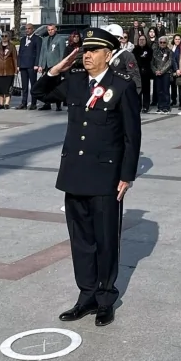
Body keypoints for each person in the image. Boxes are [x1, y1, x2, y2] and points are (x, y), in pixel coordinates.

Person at [32, 28, 141, 328]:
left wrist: (126, 175)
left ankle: (106, 298)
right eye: (84, 50)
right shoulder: (76, 82)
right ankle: (87, 295)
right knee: (80, 242)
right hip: (75, 175)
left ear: (108, 55)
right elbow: (39, 92)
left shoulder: (122, 86)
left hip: (106, 177)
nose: (87, 55)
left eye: (94, 50)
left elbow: (132, 136)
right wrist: (56, 69)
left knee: (105, 241)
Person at [37, 23, 66, 111]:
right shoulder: (45, 39)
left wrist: (61, 66)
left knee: (56, 85)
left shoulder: (60, 39)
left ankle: (58, 104)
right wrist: (41, 65)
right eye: (49, 30)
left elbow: (62, 54)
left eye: (52, 29)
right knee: (46, 86)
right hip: (46, 66)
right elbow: (42, 53)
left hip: (55, 66)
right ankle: (47, 103)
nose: (50, 31)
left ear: (55, 29)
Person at [0, 32, 19, 109]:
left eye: (6, 36)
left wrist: (16, 69)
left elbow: (15, 59)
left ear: (9, 37)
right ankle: (0, 103)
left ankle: (6, 103)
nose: (4, 37)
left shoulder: (12, 47)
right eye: (2, 36)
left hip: (9, 70)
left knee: (8, 88)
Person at [18, 23, 42, 110]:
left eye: (29, 28)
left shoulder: (37, 39)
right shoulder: (23, 39)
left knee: (33, 85)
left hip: (32, 65)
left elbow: (38, 52)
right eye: (26, 29)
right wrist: (18, 65)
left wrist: (37, 64)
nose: (27, 30)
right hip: (23, 65)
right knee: (24, 86)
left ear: (33, 29)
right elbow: (20, 53)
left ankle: (33, 103)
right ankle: (23, 103)